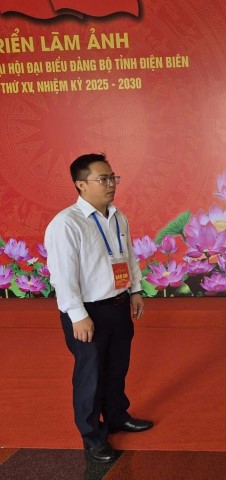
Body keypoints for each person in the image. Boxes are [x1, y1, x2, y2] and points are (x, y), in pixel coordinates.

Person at [44, 153, 153, 464]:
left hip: (119, 304)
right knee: (90, 375)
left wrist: (135, 290)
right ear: (81, 184)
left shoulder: (118, 217)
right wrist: (78, 315)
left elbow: (128, 256)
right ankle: (92, 436)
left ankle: (117, 416)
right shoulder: (66, 223)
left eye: (112, 178)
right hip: (88, 311)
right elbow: (62, 275)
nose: (110, 184)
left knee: (117, 367)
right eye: (102, 179)